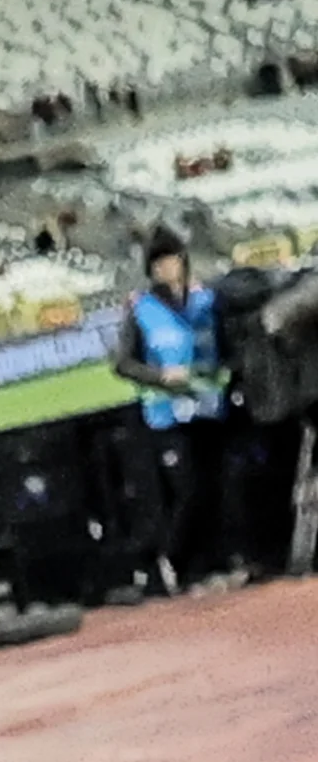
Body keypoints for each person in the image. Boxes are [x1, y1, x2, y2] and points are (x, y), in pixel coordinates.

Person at [108, 228, 225, 591]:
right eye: (159, 263)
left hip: (208, 405)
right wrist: (160, 376)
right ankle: (171, 559)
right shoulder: (142, 309)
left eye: (171, 260)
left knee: (211, 488)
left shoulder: (205, 298)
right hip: (166, 414)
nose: (167, 268)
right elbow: (122, 363)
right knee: (186, 490)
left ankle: (205, 565)